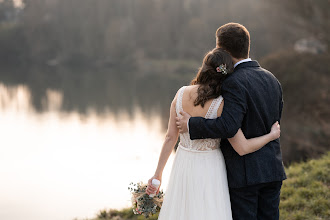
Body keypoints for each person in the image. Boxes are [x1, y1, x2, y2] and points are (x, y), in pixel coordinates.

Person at [146, 47, 281, 219]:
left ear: (203, 68)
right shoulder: (220, 104)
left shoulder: (180, 94)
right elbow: (243, 147)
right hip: (210, 168)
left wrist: (157, 174)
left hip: (183, 165)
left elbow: (170, 138)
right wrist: (271, 135)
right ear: (225, 73)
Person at [176, 23, 286, 220]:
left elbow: (228, 125)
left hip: (245, 176)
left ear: (223, 50)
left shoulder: (233, 82)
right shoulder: (272, 79)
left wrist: (192, 124)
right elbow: (274, 120)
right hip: (273, 170)